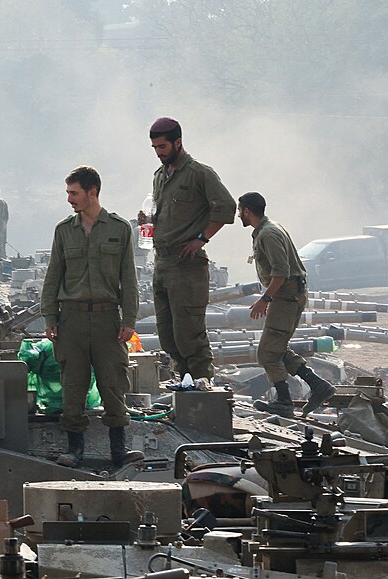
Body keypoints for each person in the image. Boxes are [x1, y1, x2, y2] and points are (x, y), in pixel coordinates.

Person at [40, 166, 143, 468]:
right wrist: (50, 317)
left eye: (74, 193)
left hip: (107, 319)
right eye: (68, 193)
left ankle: (118, 450)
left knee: (113, 383)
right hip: (70, 319)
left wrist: (130, 319)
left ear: (92, 192)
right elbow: (53, 276)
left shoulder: (119, 229)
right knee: (73, 384)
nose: (69, 199)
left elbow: (129, 278)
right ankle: (75, 450)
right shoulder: (64, 230)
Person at [140, 117, 236, 386]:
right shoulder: (160, 176)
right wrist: (148, 220)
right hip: (162, 261)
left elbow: (226, 207)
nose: (159, 152)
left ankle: (203, 383)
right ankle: (184, 381)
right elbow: (163, 213)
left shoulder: (199, 173)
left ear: (178, 142)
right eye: (154, 147)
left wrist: (201, 239)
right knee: (168, 333)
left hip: (187, 264)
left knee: (189, 332)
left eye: (162, 146)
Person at [238, 192, 336, 418]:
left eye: (239, 210)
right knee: (277, 347)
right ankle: (318, 385)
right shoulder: (269, 228)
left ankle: (284, 401)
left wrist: (265, 299)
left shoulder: (268, 234)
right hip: (288, 296)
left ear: (247, 211)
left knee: (267, 354)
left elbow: (281, 273)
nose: (238, 214)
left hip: (286, 297)